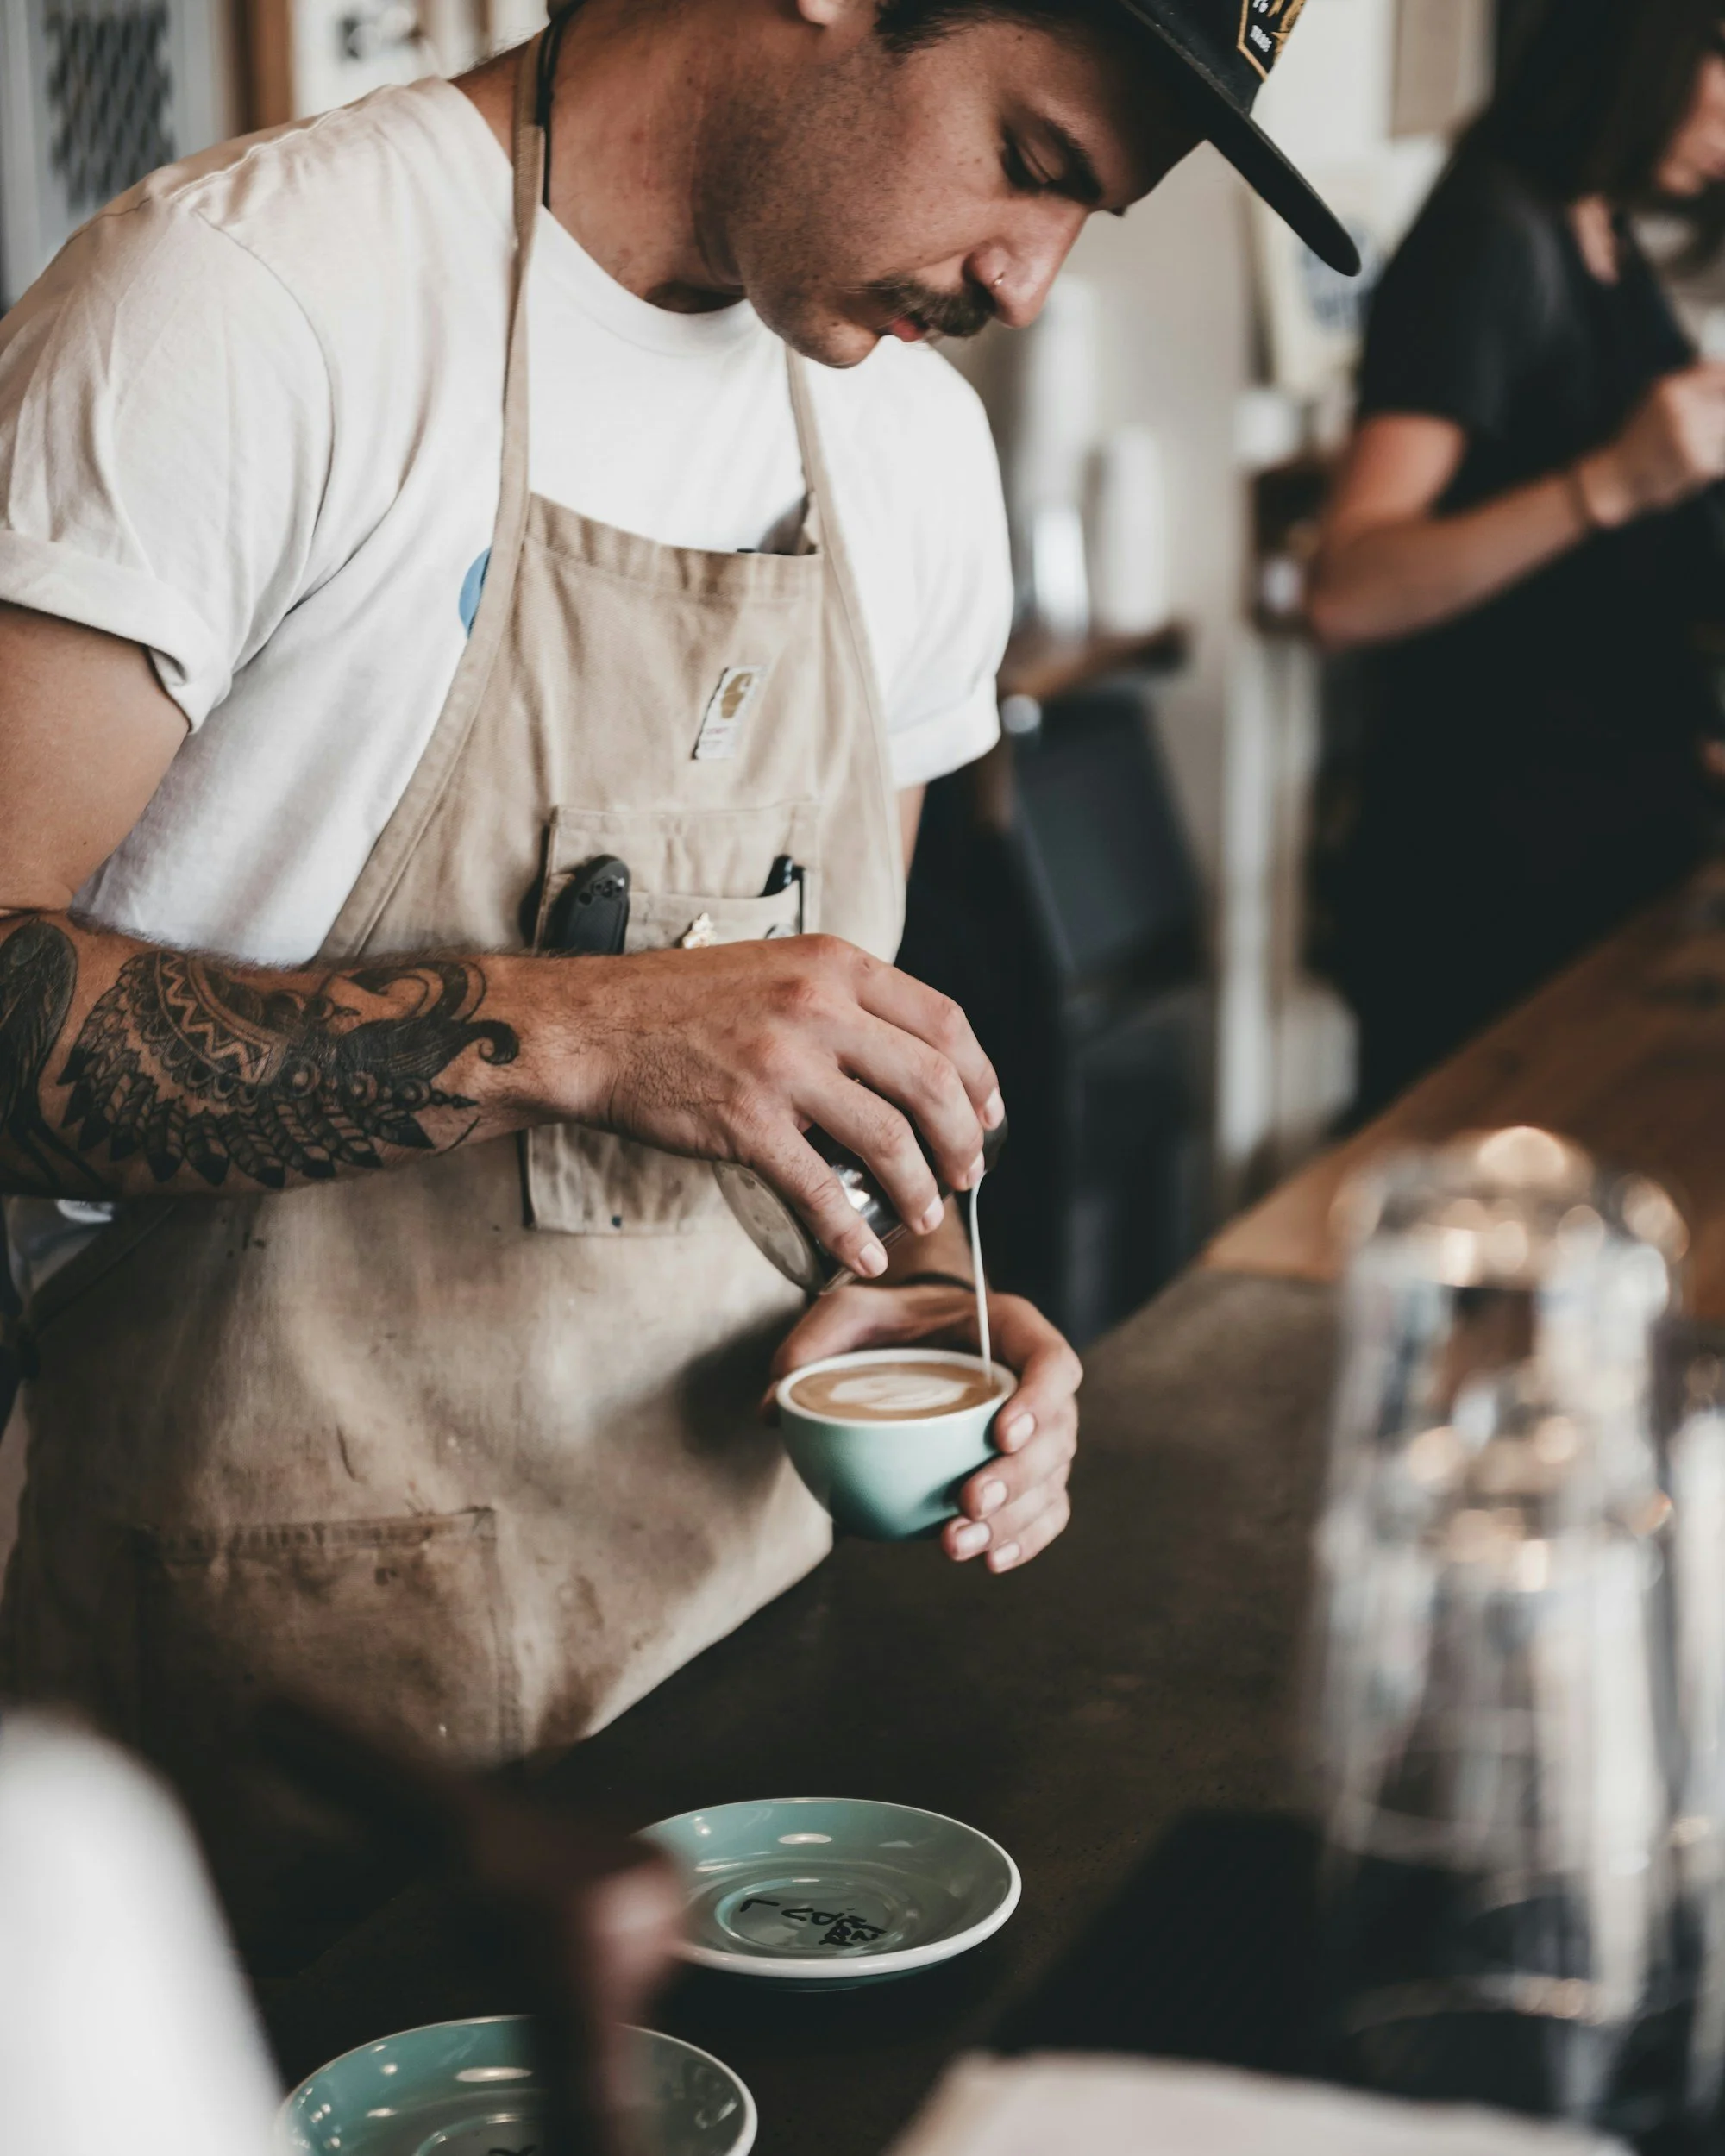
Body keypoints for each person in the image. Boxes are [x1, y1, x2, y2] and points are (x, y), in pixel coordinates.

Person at [0, 0, 1351, 1924]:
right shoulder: (248, 307)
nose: (1026, 281)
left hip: (731, 1728)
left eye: (1085, 219)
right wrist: (564, 1029)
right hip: (272, 1730)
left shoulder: (908, 458)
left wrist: (920, 1306)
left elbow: (814, 1086)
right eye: (1031, 164)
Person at [1308, 0, 1725, 1116]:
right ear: (1652, 47)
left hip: (1606, 869)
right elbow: (1348, 589)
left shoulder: (1598, 230)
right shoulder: (1491, 233)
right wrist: (1614, 483)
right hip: (1484, 894)